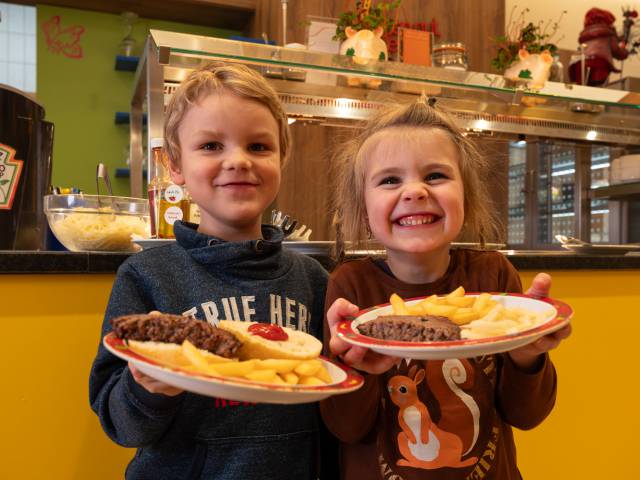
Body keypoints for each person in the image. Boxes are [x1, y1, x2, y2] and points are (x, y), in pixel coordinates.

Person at [89, 62, 331, 480]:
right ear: (175, 166)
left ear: (282, 158)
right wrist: (146, 387)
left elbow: (332, 405)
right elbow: (121, 425)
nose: (237, 161)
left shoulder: (314, 279)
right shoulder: (145, 276)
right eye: (211, 146)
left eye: (258, 146)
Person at [320, 98, 572, 480]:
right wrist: (350, 367)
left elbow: (528, 415)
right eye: (390, 180)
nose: (415, 191)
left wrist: (526, 356)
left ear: (466, 199)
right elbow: (347, 429)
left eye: (435, 175)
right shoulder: (351, 286)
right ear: (362, 210)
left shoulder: (494, 278)